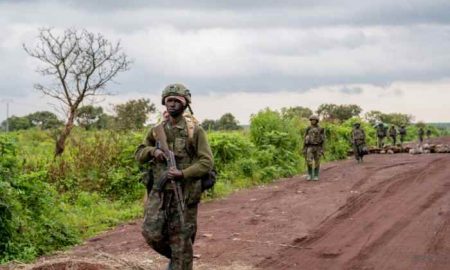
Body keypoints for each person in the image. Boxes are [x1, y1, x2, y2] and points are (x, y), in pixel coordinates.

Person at [135, 83, 214, 270]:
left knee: (181, 237)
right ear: (164, 102)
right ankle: (181, 259)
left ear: (185, 104)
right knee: (151, 233)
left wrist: (183, 173)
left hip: (184, 194)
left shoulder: (195, 130)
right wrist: (154, 152)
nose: (172, 104)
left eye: (176, 101)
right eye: (169, 100)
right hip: (160, 192)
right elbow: (139, 154)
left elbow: (206, 161)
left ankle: (180, 261)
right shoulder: (157, 129)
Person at [303, 115, 325, 181]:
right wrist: (304, 148)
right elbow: (305, 138)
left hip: (318, 147)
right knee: (309, 161)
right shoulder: (308, 128)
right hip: (309, 146)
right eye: (312, 120)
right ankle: (309, 174)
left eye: (314, 120)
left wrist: (322, 149)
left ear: (317, 121)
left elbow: (323, 140)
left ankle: (316, 175)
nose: (313, 121)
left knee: (317, 162)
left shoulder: (320, 129)